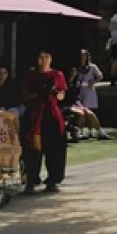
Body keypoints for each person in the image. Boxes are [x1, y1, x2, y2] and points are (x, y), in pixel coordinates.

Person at [20, 50, 67, 193]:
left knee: (54, 149)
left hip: (51, 116)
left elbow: (62, 96)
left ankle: (52, 180)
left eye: (47, 57)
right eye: (41, 57)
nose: (44, 59)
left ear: (51, 59)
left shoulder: (57, 75)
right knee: (32, 149)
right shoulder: (31, 76)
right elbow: (25, 98)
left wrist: (54, 92)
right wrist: (38, 93)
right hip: (34, 115)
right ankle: (31, 180)